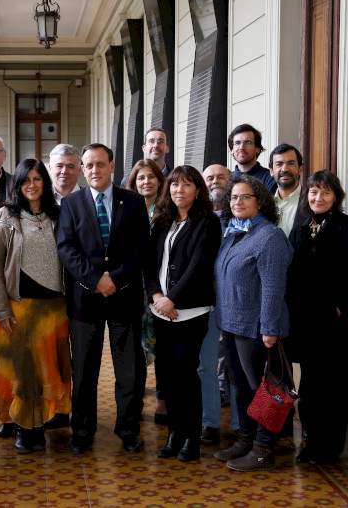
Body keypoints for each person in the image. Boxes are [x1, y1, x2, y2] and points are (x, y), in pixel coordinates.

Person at [57, 143, 149, 455]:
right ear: (83, 170)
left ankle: (128, 427)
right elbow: (66, 248)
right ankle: (82, 429)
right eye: (89, 165)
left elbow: (140, 247)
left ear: (112, 166)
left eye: (100, 164)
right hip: (85, 299)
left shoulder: (134, 202)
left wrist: (116, 278)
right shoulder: (71, 203)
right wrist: (95, 280)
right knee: (84, 370)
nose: (94, 170)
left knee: (128, 369)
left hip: (124, 297)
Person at [0, 158, 72, 454]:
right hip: (18, 306)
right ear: (18, 185)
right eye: (26, 180)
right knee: (23, 372)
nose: (31, 185)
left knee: (48, 370)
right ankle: (26, 429)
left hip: (54, 308)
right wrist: (2, 309)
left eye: (37, 179)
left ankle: (42, 423)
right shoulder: (4, 216)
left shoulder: (59, 215)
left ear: (45, 183)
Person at [288, 170, 348, 465]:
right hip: (306, 326)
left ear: (336, 196)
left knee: (334, 388)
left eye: (325, 192)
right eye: (313, 192)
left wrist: (341, 308)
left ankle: (330, 448)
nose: (318, 198)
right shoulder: (300, 229)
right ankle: (311, 442)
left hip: (336, 327)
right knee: (309, 386)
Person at [213, 174, 292, 472]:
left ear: (260, 201)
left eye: (245, 196)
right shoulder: (235, 232)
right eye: (233, 197)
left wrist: (270, 329)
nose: (237, 202)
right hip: (231, 324)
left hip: (257, 329)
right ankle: (245, 439)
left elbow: (273, 287)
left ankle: (263, 450)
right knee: (241, 387)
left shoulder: (269, 236)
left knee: (263, 391)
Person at [144, 166, 221, 462]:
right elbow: (148, 263)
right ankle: (174, 433)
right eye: (175, 185)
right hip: (161, 310)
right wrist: (157, 296)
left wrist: (172, 299)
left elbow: (199, 266)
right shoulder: (162, 221)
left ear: (198, 190)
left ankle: (191, 438)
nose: (179, 190)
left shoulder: (208, 222)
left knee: (187, 375)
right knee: (167, 375)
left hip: (191, 311)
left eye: (187, 185)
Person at [199, 164, 240, 445]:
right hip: (206, 304)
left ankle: (241, 426)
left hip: (238, 304)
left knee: (237, 367)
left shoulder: (241, 216)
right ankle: (210, 422)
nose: (215, 181)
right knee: (206, 366)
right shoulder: (197, 218)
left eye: (221, 177)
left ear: (231, 182)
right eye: (209, 178)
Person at [126, 159, 167, 423]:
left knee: (162, 344)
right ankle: (136, 397)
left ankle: (163, 401)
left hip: (161, 288)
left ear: (160, 181)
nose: (146, 182)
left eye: (151, 177)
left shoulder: (168, 211)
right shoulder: (127, 210)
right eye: (141, 178)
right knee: (134, 346)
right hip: (132, 286)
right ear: (134, 183)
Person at [269, 144, 308, 236]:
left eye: (291, 163)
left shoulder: (312, 202)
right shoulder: (261, 204)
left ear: (300, 169)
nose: (285, 169)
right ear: (271, 171)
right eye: (279, 164)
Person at [228, 124, 277, 194]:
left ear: (257, 149)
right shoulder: (227, 179)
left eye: (248, 142)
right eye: (237, 143)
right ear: (232, 149)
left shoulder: (270, 178)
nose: (241, 147)